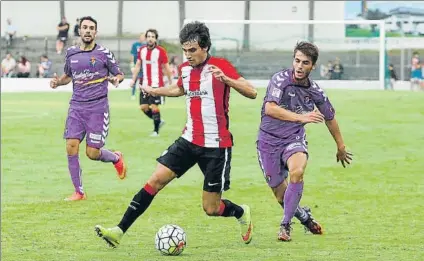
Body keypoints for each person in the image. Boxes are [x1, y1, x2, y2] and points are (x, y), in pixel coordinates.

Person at [94, 21, 257, 248]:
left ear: (205, 47)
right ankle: (119, 231)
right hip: (188, 140)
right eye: (185, 50)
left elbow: (252, 92)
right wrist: (154, 90)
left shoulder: (221, 66)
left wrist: (227, 79)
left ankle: (241, 212)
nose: (188, 55)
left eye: (193, 50)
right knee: (155, 181)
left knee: (211, 208)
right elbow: (180, 89)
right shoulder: (185, 69)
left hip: (216, 146)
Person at [257, 41, 353, 242]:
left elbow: (330, 117)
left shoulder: (315, 90)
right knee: (280, 195)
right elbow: (270, 109)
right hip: (268, 140)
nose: (299, 66)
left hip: (293, 139)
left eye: (305, 63)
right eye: (297, 61)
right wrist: (301, 117)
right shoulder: (280, 80)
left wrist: (341, 146)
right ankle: (304, 217)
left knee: (297, 171)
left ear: (313, 66)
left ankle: (285, 226)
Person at [49, 16, 127, 201]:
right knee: (71, 146)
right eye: (85, 27)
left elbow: (119, 74)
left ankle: (116, 158)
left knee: (92, 153)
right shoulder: (71, 53)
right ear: (79, 30)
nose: (88, 30)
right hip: (76, 107)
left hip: (97, 109)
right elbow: (68, 76)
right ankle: (79, 192)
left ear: (95, 32)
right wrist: (58, 82)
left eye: (91, 28)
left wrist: (117, 79)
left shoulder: (104, 53)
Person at [129, 29, 172, 137]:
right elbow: (138, 65)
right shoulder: (142, 50)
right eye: (148, 36)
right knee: (143, 107)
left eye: (153, 36)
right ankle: (158, 121)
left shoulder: (161, 51)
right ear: (146, 38)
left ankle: (156, 131)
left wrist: (171, 82)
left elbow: (166, 67)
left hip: (157, 84)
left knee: (154, 106)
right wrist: (133, 80)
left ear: (155, 39)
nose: (150, 38)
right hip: (145, 84)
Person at [130, 33, 146, 100]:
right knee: (135, 79)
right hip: (136, 65)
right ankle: (133, 94)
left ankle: (142, 93)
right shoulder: (135, 45)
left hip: (143, 66)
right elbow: (132, 55)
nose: (143, 38)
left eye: (144, 37)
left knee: (142, 80)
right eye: (142, 36)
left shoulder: (145, 45)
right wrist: (131, 65)